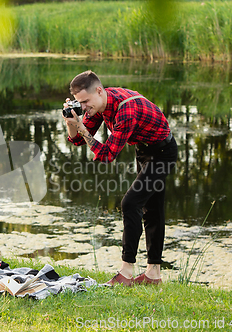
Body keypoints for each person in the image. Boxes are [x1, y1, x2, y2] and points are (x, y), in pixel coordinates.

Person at [63, 71, 177, 286]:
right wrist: (72, 121)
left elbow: (107, 155)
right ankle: (154, 275)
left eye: (86, 102)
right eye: (80, 103)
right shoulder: (100, 104)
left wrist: (82, 127)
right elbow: (78, 140)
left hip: (163, 153)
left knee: (130, 203)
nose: (85, 107)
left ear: (99, 91)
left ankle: (126, 272)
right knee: (151, 209)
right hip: (144, 151)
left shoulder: (126, 110)